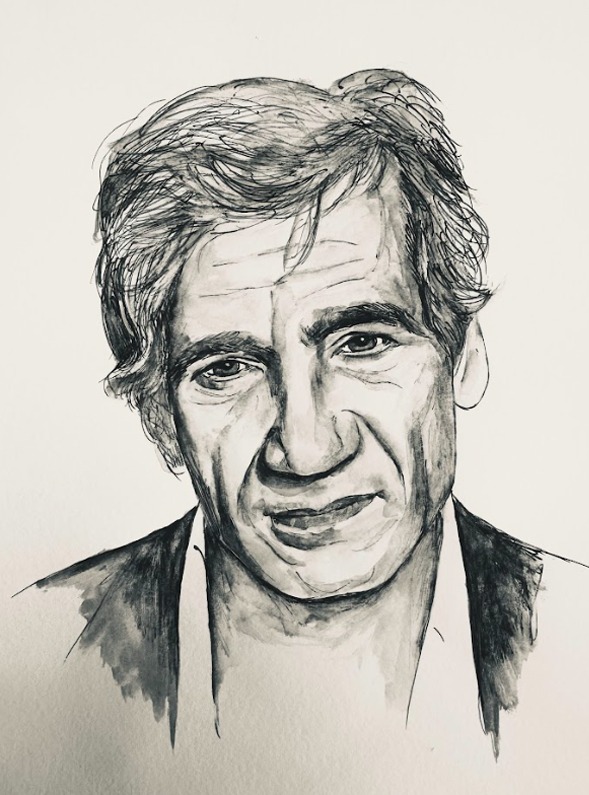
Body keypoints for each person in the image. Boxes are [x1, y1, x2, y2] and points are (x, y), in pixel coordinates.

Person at [13, 69, 589, 792]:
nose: (307, 448)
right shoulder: (34, 651)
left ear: (463, 357)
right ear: (160, 419)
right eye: (227, 369)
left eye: (363, 343)